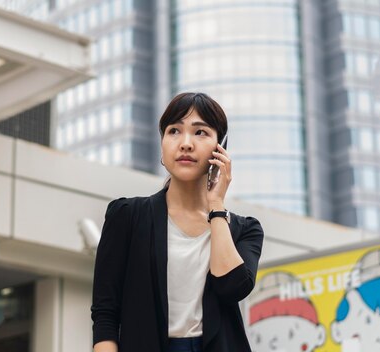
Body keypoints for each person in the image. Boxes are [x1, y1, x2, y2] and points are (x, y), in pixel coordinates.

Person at [90, 92, 264, 352]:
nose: (185, 143)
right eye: (174, 131)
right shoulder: (127, 215)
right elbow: (105, 313)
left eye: (200, 132)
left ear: (221, 147)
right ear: (162, 143)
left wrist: (216, 206)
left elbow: (232, 288)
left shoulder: (245, 230)